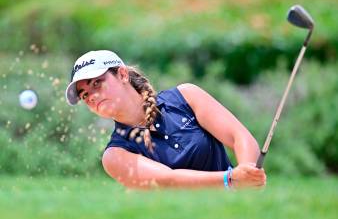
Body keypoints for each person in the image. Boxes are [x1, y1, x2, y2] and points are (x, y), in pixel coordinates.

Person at [65, 50, 266, 190]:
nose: (91, 96)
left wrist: (248, 175)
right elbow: (169, 181)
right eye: (84, 95)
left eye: (97, 83)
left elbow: (239, 136)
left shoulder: (186, 96)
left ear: (123, 74)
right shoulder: (115, 155)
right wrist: (230, 180)